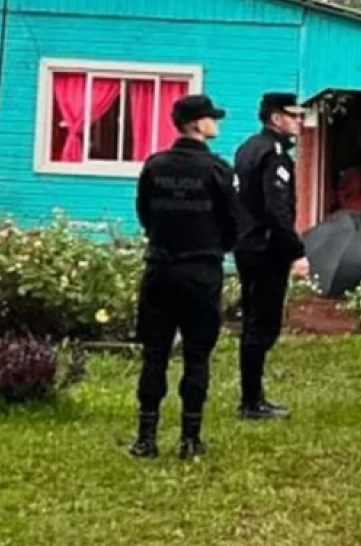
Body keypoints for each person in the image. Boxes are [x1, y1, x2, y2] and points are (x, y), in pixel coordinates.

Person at [130, 94, 239, 459]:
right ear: (196, 123)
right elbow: (233, 222)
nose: (216, 123)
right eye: (211, 118)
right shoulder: (217, 170)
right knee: (197, 355)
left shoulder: (155, 165)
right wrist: (214, 245)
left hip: (160, 269)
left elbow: (145, 215)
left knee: (154, 353)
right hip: (201, 271)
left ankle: (146, 438)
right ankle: (190, 439)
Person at [233, 92, 308, 420]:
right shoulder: (273, 154)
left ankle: (253, 395)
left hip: (246, 244)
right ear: (276, 119)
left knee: (253, 318)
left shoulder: (247, 147)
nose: (299, 121)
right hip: (266, 248)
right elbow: (275, 208)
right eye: (293, 116)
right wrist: (294, 248)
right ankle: (251, 401)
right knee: (263, 324)